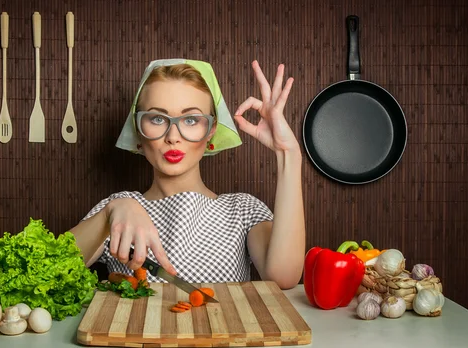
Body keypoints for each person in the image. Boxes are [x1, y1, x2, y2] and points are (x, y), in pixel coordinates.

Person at [69, 59, 305, 289]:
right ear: (138, 129)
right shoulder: (117, 210)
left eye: (191, 119)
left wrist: (289, 154)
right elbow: (45, 273)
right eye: (157, 118)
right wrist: (110, 212)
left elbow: (284, 278)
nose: (173, 136)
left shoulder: (242, 210)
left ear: (211, 129)